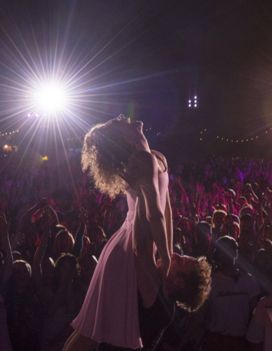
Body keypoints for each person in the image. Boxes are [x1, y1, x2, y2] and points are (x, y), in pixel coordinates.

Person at [64, 117, 211, 351]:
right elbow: (167, 210)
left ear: (178, 280)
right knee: (89, 331)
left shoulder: (147, 160)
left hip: (128, 246)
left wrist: (163, 251)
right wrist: (166, 251)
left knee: (90, 332)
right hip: (129, 241)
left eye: (181, 261)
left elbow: (158, 215)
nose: (177, 255)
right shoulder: (152, 159)